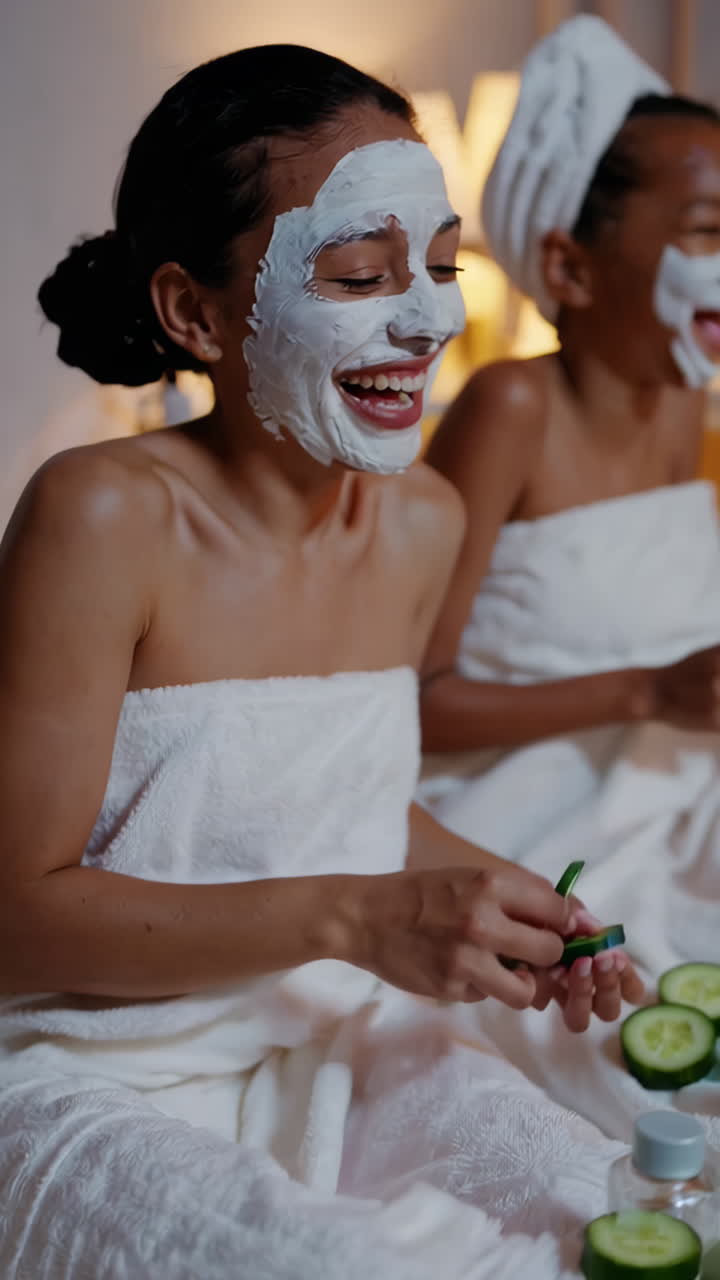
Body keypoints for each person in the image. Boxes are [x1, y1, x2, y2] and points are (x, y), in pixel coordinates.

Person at [0, 44, 640, 1280]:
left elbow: (334, 797)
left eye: (445, 264)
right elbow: (13, 916)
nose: (427, 316)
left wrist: (531, 908)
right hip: (84, 1068)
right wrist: (357, 915)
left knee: (591, 1206)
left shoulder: (423, 526)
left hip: (330, 1027)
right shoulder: (102, 520)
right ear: (195, 310)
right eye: (359, 272)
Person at [419, 18, 720, 1031]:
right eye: (708, 231)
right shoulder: (509, 408)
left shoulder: (685, 400)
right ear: (572, 266)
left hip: (676, 781)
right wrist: (649, 689)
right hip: (527, 799)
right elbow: (406, 702)